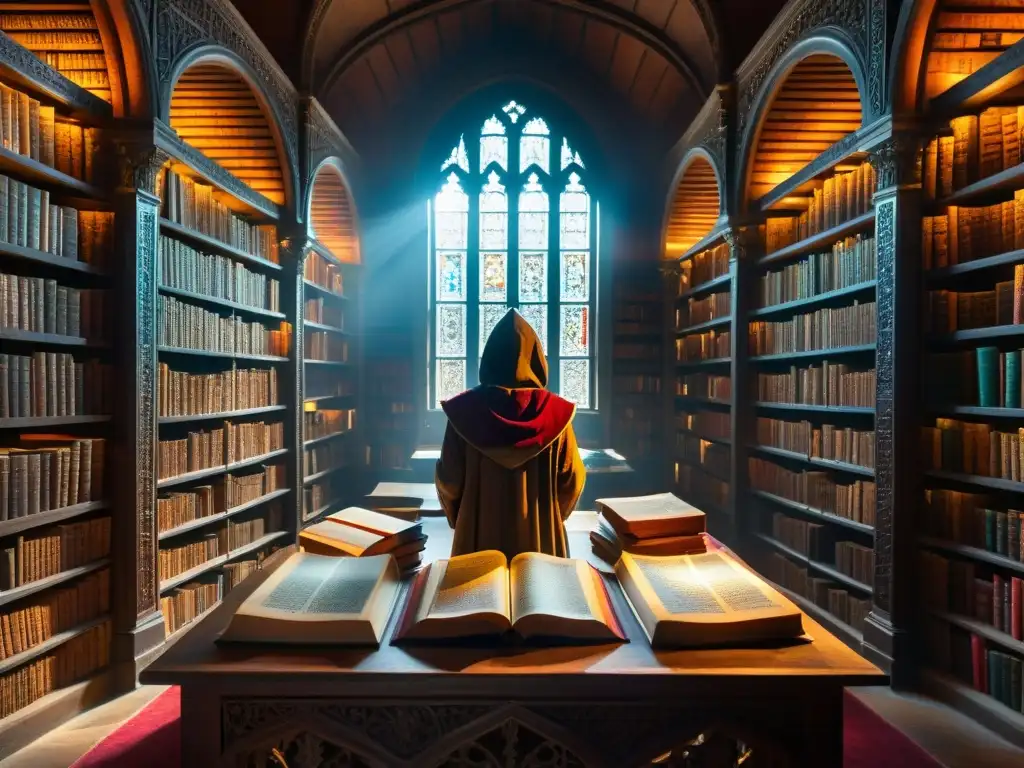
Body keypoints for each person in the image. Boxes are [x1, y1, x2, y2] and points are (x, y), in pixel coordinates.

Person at [435, 308, 585, 559]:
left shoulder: (464, 412)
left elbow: (449, 480)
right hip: (540, 540)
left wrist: (460, 517)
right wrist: (549, 517)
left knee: (478, 596)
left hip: (478, 538)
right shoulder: (556, 414)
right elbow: (571, 480)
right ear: (536, 359)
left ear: (490, 358)